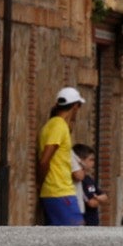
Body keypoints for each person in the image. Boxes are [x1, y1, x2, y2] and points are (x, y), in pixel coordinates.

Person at [37, 88, 85, 226]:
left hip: (58, 192)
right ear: (75, 106)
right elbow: (44, 161)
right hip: (59, 191)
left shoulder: (55, 124)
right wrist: (41, 183)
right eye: (79, 106)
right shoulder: (58, 126)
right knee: (75, 236)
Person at [72, 144, 107, 227]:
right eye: (91, 160)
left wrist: (98, 198)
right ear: (81, 161)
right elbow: (91, 203)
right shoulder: (79, 180)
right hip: (84, 221)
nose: (93, 163)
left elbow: (105, 196)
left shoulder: (89, 179)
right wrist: (99, 200)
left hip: (93, 222)